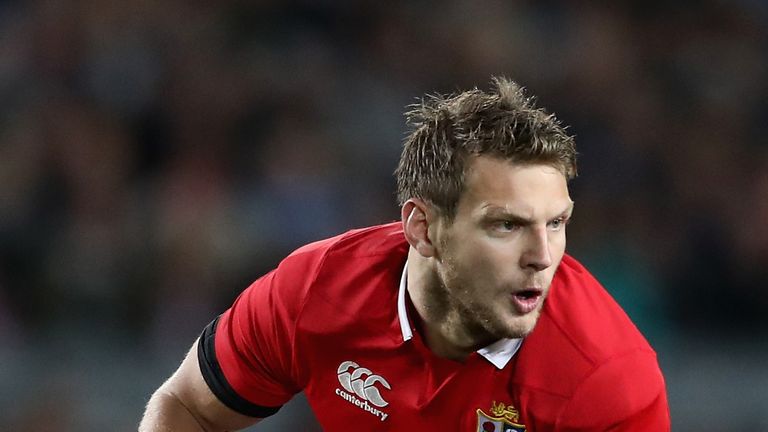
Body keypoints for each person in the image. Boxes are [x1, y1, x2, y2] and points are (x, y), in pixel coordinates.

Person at [139, 77, 670, 431]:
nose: (542, 256)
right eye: (506, 225)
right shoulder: (315, 290)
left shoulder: (607, 380)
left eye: (556, 224)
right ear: (423, 228)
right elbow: (187, 407)